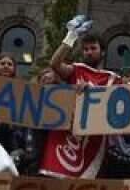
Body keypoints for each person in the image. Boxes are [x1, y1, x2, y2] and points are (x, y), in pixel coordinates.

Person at [47, 30, 113, 179]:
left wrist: (95, 93)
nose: (89, 52)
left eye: (93, 48)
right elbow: (55, 63)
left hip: (96, 144)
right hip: (69, 141)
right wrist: (70, 36)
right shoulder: (76, 70)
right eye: (86, 49)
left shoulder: (113, 79)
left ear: (102, 52)